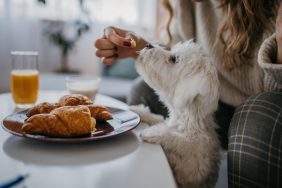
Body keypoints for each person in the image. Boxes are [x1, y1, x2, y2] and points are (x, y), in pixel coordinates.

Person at [94, 0, 282, 187]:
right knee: (141, 91)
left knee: (256, 116)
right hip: (205, 104)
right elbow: (176, 59)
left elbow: (275, 92)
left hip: (257, 104)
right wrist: (139, 47)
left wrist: (279, 52)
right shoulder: (187, 4)